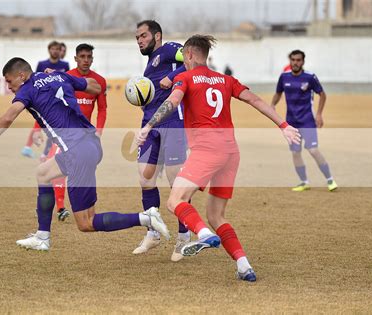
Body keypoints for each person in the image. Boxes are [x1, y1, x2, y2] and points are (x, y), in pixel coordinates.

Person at [136, 35, 301, 281]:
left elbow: (172, 102)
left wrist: (148, 126)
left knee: (175, 201)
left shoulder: (185, 77)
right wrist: (284, 125)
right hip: (230, 153)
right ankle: (244, 266)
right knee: (216, 216)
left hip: (207, 150)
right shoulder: (226, 79)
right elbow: (254, 100)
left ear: (189, 55)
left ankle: (202, 234)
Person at [0, 57, 170, 251]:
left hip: (77, 152)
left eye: (9, 82)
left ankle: (146, 218)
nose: (9, 87)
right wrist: (63, 78)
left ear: (21, 76)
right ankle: (42, 237)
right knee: (43, 173)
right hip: (90, 144)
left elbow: (7, 117)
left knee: (86, 223)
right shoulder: (58, 76)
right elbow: (95, 87)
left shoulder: (27, 89)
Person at [32, 43, 108, 221]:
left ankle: (86, 208)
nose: (86, 60)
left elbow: (103, 109)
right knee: (55, 167)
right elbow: (47, 107)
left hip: (86, 137)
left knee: (81, 171)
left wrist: (99, 132)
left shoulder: (99, 81)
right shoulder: (66, 77)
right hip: (64, 133)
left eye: (89, 57)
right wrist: (37, 129)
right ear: (75, 58)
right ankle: (60, 206)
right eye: (82, 57)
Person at [134, 20, 189, 262]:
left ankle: (184, 237)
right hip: (151, 125)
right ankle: (153, 232)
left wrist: (173, 75)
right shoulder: (148, 65)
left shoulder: (169, 50)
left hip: (173, 124)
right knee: (145, 178)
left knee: (175, 182)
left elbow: (193, 58)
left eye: (143, 36)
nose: (139, 40)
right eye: (137, 37)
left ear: (157, 36)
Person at [271, 50, 338, 192]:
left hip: (307, 120)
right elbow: (278, 93)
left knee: (313, 150)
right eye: (293, 60)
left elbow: (322, 95)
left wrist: (319, 114)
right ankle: (304, 182)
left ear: (303, 61)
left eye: (298, 60)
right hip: (291, 122)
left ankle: (330, 179)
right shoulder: (284, 77)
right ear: (290, 61)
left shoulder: (310, 77)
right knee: (295, 152)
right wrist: (272, 106)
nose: (295, 62)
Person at [21, 41, 70, 159]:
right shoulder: (42, 64)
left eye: (58, 49)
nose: (56, 51)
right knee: (40, 122)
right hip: (44, 99)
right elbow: (35, 80)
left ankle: (40, 151)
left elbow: (67, 81)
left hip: (58, 99)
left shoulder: (65, 65)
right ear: (49, 50)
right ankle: (32, 148)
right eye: (53, 49)